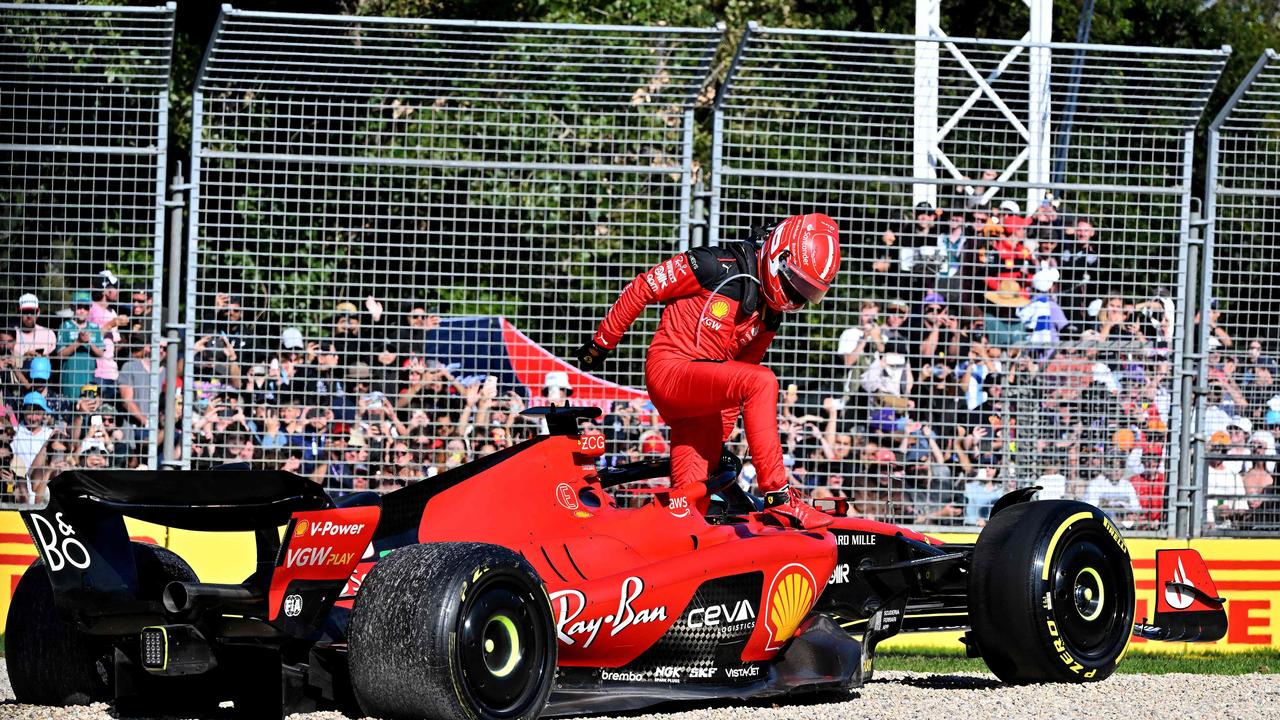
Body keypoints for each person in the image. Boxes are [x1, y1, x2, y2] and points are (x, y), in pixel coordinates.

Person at [575, 214, 841, 529]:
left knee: (689, 511)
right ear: (778, 256)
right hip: (671, 370)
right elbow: (644, 286)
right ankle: (779, 497)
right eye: (795, 283)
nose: (796, 297)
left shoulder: (770, 314)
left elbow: (738, 379)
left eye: (808, 292)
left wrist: (717, 443)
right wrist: (601, 344)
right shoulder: (714, 265)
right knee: (764, 382)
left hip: (703, 405)